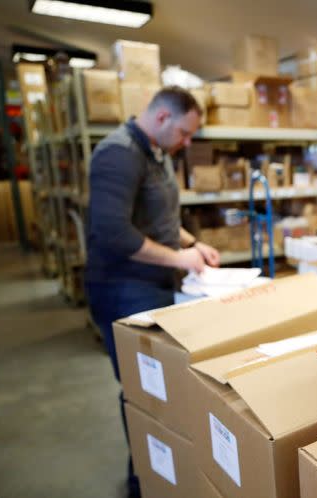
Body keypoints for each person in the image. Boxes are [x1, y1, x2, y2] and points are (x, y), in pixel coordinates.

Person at [84, 86, 219, 497]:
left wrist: (190, 244)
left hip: (153, 284)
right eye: (184, 133)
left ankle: (168, 471)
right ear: (161, 118)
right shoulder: (119, 154)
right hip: (124, 290)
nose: (188, 142)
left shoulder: (156, 151)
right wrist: (179, 260)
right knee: (146, 391)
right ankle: (143, 479)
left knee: (166, 386)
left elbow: (157, 220)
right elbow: (113, 232)